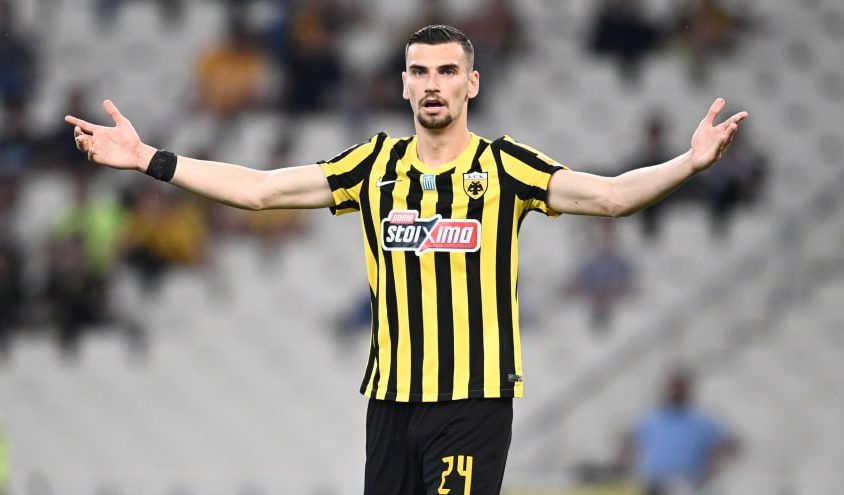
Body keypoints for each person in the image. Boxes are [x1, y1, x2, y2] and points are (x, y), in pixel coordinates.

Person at [65, 24, 747, 495]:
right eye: (420, 71)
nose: (433, 84)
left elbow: (610, 198)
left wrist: (689, 163)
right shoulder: (374, 166)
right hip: (390, 401)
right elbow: (261, 190)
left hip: (472, 399)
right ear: (403, 85)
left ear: (471, 84)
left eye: (447, 71)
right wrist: (148, 158)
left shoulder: (505, 167)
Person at [620, 369, 739, 495]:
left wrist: (718, 456)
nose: (675, 392)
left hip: (691, 481)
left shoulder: (701, 420)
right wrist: (628, 460)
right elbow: (628, 441)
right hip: (656, 481)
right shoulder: (650, 418)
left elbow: (729, 444)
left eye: (679, 388)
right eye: (673, 388)